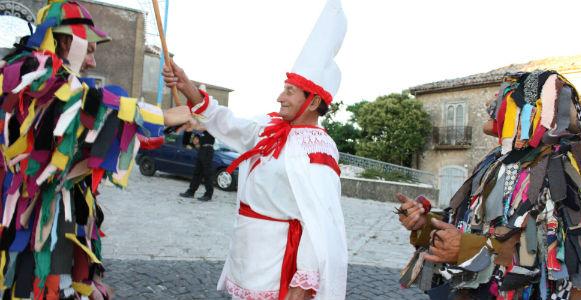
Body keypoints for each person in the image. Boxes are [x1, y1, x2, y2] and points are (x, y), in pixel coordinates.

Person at [163, 0, 348, 298]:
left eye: (289, 91)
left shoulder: (319, 149)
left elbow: (319, 224)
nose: (279, 97)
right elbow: (228, 122)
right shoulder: (269, 126)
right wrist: (188, 87)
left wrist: (301, 287)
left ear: (313, 101)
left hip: (277, 264)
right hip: (247, 254)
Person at [0, 1, 164, 298]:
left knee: (54, 279)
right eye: (89, 50)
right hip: (34, 213)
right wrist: (167, 117)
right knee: (33, 279)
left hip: (57, 211)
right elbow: (95, 105)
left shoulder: (54, 81)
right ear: (65, 41)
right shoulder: (34, 77)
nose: (92, 62)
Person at [397, 71, 581, 299]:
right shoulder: (493, 162)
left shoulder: (573, 168)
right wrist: (425, 223)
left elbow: (559, 256)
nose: (490, 103)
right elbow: (468, 225)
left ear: (533, 111)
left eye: (506, 96)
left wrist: (469, 248)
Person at [180, 130, 215, 201]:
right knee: (197, 172)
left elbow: (206, 137)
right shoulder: (201, 129)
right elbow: (197, 138)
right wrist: (193, 142)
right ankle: (191, 191)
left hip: (208, 150)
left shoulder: (210, 126)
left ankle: (208, 194)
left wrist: (198, 139)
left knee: (207, 173)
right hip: (201, 149)